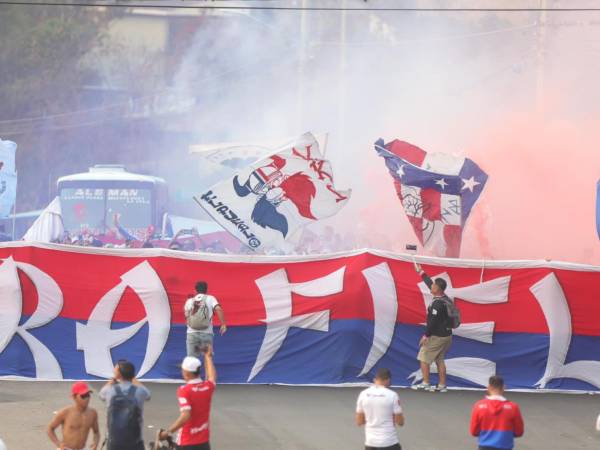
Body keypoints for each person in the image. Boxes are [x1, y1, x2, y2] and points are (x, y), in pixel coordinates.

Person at [159, 347, 217, 449]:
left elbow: (186, 415)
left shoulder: (184, 390)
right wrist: (208, 357)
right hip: (204, 443)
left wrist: (167, 432)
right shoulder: (208, 386)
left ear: (186, 374)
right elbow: (212, 376)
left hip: (186, 442)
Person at [412, 263, 453, 392]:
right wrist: (421, 272)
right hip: (447, 336)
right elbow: (429, 283)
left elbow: (433, 322)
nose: (432, 286)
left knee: (423, 357)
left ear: (439, 289)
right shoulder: (445, 298)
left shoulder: (437, 305)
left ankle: (425, 382)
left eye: (434, 285)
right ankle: (442, 386)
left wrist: (426, 336)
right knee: (439, 359)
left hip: (437, 336)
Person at [99, 360, 151, 450]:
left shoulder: (110, 391)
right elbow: (148, 395)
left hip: (114, 441)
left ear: (119, 373)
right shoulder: (140, 391)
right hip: (135, 442)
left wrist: (114, 379)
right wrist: (134, 379)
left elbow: (101, 394)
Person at [470, 375, 524, 450]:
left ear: (488, 387)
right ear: (503, 388)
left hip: (484, 446)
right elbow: (519, 432)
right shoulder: (513, 407)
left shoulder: (478, 406)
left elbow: (474, 432)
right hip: (505, 446)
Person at [356, 368, 404, 450]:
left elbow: (359, 421)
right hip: (389, 442)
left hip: (371, 443)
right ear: (388, 380)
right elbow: (400, 422)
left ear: (375, 379)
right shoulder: (392, 395)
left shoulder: (363, 394)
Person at [47, 381, 100, 450]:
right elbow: (50, 428)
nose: (87, 399)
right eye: (83, 396)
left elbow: (96, 432)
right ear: (74, 397)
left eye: (88, 395)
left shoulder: (93, 413)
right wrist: (59, 444)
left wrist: (95, 443)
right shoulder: (65, 413)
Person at [184, 281, 227, 358]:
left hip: (191, 333)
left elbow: (187, 317)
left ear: (195, 290)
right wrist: (223, 324)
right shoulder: (210, 298)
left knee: (192, 361)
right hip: (206, 333)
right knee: (208, 359)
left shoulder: (189, 301)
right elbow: (218, 309)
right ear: (206, 290)